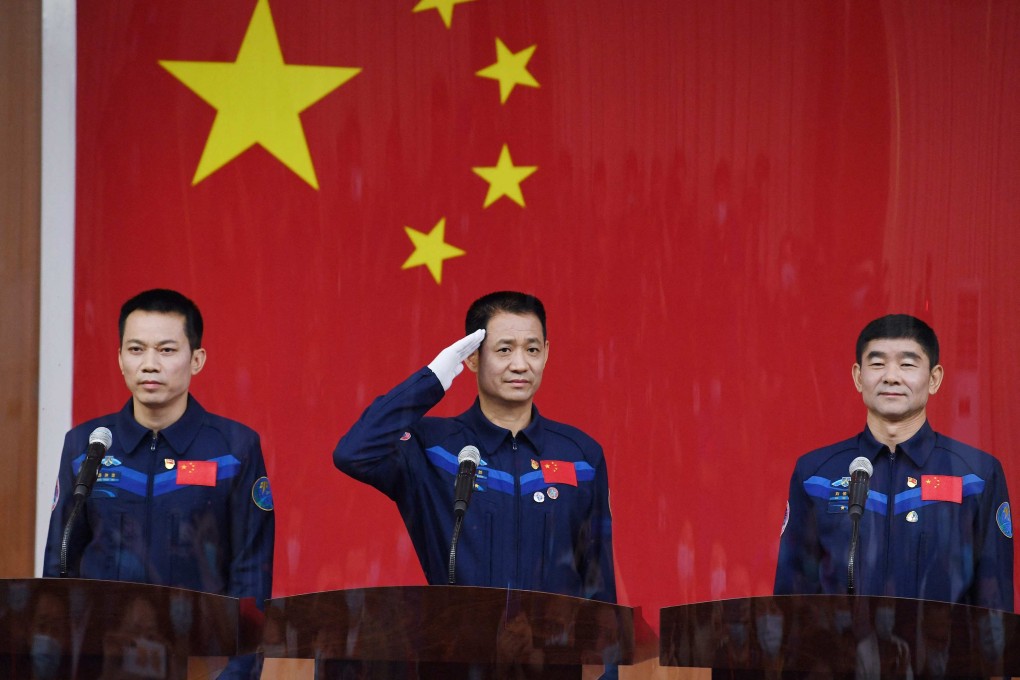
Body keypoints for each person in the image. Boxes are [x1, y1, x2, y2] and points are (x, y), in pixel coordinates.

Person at [43, 288, 275, 678]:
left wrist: (236, 673)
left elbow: (250, 575)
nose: (149, 364)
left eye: (166, 350)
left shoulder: (234, 449)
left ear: (196, 359)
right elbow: (59, 563)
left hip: (201, 665)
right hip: (100, 664)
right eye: (136, 350)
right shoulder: (86, 446)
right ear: (119, 359)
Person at [333, 291, 616, 603]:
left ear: (547, 353)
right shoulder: (432, 448)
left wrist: (607, 648)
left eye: (532, 349)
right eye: (504, 350)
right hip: (460, 646)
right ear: (471, 356)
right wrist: (434, 378)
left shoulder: (581, 456)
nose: (520, 365)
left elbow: (597, 582)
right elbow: (354, 452)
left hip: (557, 649)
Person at [774, 314, 1013, 611]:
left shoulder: (976, 477)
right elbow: (790, 601)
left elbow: (995, 603)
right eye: (877, 363)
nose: (891, 376)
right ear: (858, 377)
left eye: (907, 364)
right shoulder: (816, 475)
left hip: (942, 656)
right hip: (842, 656)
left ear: (934, 378)